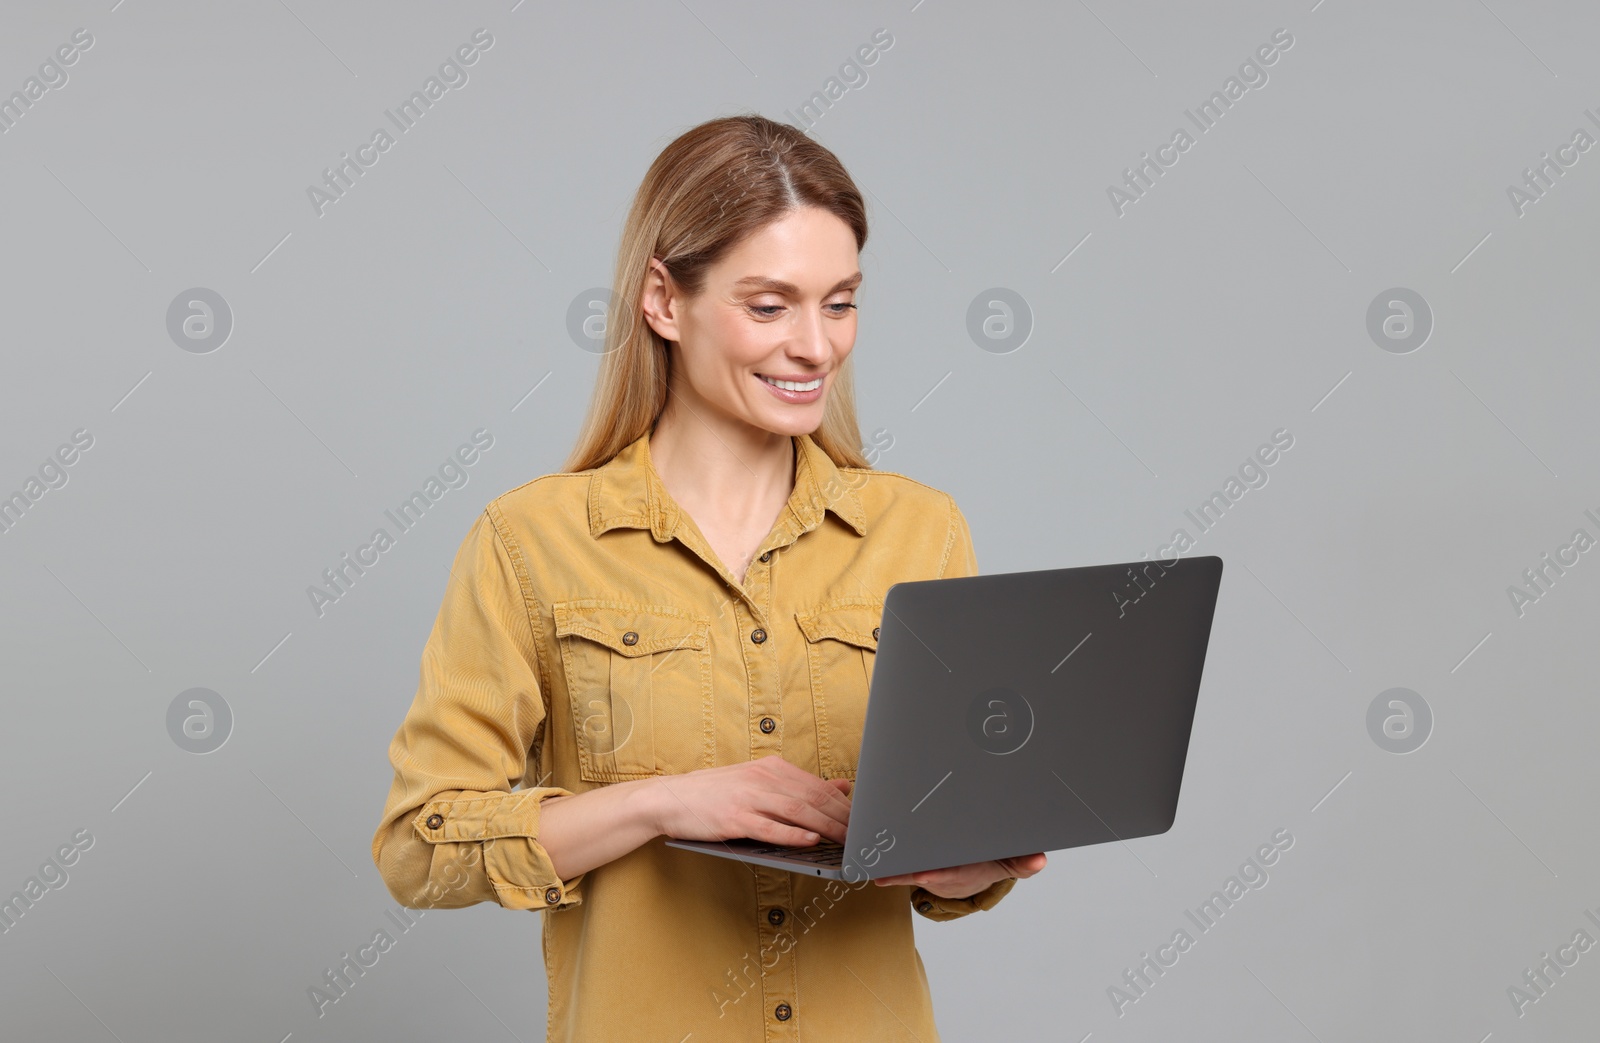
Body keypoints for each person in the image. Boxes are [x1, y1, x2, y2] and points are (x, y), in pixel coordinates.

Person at [371, 113, 1046, 1042]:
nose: (816, 346)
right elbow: (420, 848)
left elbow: (953, 834)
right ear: (663, 299)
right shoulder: (528, 541)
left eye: (840, 301)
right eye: (770, 306)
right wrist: (662, 802)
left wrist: (970, 871)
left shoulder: (920, 531)